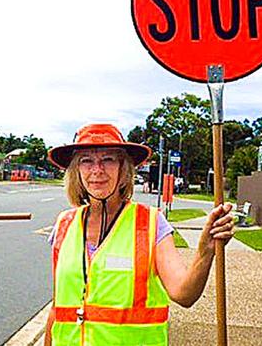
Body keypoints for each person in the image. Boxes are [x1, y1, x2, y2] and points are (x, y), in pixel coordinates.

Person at [44, 123, 235, 346]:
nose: (97, 170)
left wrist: (205, 252)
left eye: (108, 159)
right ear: (76, 170)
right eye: (86, 160)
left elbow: (184, 294)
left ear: (123, 168)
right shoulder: (64, 225)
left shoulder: (151, 223)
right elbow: (58, 306)